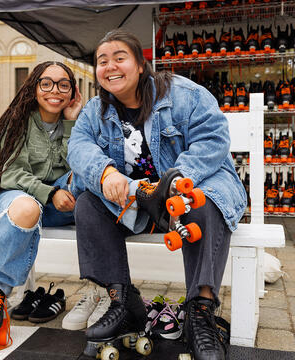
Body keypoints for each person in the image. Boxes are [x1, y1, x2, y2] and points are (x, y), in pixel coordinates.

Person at [67, 30, 246, 360]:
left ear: (139, 65)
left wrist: (174, 181)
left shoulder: (183, 94)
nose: (110, 66)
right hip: (138, 201)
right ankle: (123, 302)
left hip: (188, 188)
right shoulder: (95, 110)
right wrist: (106, 173)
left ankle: (201, 313)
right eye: (101, 61)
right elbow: (77, 147)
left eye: (119, 58)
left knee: (202, 204)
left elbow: (213, 139)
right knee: (88, 204)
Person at [0, 61, 83, 332]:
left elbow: (80, 167)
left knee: (86, 181)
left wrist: (71, 123)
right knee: (27, 208)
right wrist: (50, 193)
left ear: (72, 91)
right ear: (34, 87)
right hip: (16, 201)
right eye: (46, 83)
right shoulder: (18, 121)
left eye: (64, 84)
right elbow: (10, 174)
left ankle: (110, 292)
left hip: (60, 205)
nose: (55, 91)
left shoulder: (77, 122)